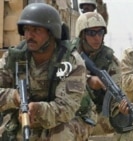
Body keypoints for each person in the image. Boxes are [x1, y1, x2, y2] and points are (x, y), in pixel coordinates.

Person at [0, 3, 90, 141]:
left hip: (68, 120)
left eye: (36, 30)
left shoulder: (71, 62)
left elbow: (66, 109)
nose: (29, 35)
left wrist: (37, 109)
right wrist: (13, 97)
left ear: (51, 32)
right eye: (27, 29)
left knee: (60, 135)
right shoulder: (15, 57)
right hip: (24, 118)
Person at [73, 11, 122, 137]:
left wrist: (121, 107)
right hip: (69, 112)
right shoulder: (67, 53)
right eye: (91, 33)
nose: (97, 38)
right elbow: (58, 77)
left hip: (97, 115)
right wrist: (88, 80)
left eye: (100, 32)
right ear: (82, 35)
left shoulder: (110, 60)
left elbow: (117, 88)